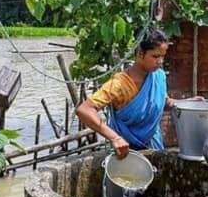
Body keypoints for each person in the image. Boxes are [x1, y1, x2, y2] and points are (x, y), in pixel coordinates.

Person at [76, 27, 177, 160]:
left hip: (154, 146)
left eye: (163, 56)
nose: (160, 61)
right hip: (124, 151)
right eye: (155, 56)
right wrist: (114, 138)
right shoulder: (119, 84)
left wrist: (186, 103)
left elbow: (163, 101)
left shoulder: (158, 76)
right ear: (140, 53)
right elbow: (84, 110)